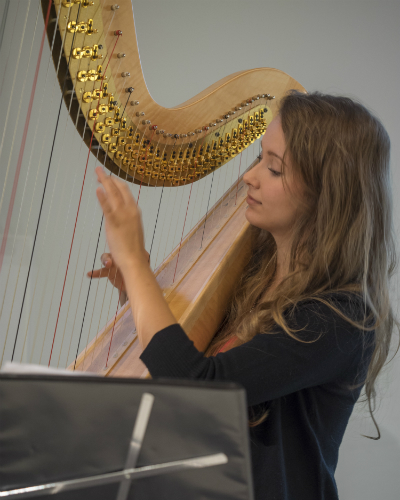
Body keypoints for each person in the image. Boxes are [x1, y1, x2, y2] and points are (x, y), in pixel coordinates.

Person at [88, 91, 398, 500]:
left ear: (327, 193)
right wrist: (136, 289)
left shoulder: (340, 318)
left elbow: (199, 386)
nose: (250, 177)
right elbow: (191, 361)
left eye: (274, 168)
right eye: (258, 159)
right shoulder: (254, 272)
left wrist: (136, 264)